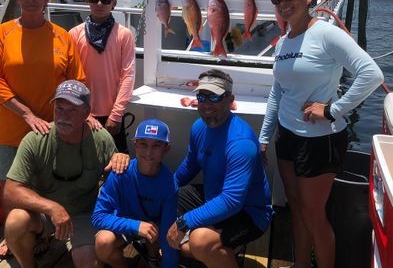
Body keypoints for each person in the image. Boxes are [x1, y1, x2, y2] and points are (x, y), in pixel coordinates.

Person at [259, 0, 384, 268]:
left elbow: (371, 74)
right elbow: (278, 92)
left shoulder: (326, 33)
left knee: (314, 215)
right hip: (286, 136)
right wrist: (265, 136)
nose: (282, 2)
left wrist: (332, 110)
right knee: (297, 208)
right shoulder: (284, 42)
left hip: (319, 140)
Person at [0, 0, 85, 256]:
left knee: (45, 186)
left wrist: (81, 117)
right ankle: (12, 234)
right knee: (10, 187)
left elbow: (77, 81)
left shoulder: (63, 37)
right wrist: (26, 114)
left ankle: (42, 234)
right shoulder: (3, 33)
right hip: (10, 129)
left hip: (51, 129)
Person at [3, 80, 129, 268]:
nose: (63, 116)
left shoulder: (101, 139)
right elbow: (10, 190)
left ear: (86, 113)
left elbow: (119, 182)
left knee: (89, 264)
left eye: (72, 110)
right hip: (44, 214)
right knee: (15, 221)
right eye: (59, 108)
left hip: (83, 214)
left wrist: (123, 160)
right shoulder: (35, 139)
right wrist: (52, 208)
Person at [167, 69, 273, 268]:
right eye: (202, 97)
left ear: (230, 99)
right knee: (166, 199)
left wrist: (184, 222)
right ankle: (215, 249)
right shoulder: (198, 127)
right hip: (213, 196)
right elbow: (189, 166)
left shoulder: (241, 143)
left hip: (249, 213)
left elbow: (232, 201)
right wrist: (164, 188)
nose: (206, 104)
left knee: (199, 240)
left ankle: (212, 249)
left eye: (214, 97)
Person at [92, 119, 179, 268]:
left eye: (156, 145)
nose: (148, 152)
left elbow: (168, 229)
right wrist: (135, 225)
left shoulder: (169, 183)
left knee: (164, 235)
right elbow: (98, 216)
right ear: (135, 144)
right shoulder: (120, 172)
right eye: (143, 144)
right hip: (125, 226)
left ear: (166, 149)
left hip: (153, 231)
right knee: (103, 241)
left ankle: (152, 257)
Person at [69, 0, 135, 152]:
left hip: (112, 116)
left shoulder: (124, 34)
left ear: (113, 3)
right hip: (81, 113)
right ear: (87, 0)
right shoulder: (74, 34)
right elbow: (70, 76)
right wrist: (82, 111)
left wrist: (116, 114)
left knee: (116, 163)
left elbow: (128, 75)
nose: (99, 3)